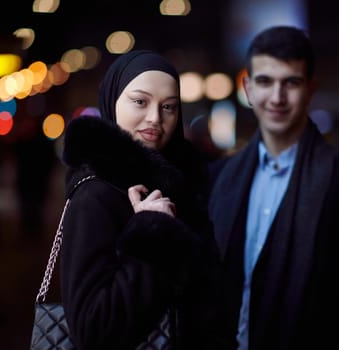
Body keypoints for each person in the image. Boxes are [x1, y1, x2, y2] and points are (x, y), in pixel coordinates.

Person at [208, 26, 339, 350]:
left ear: (311, 89)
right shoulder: (219, 177)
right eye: (265, 82)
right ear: (248, 89)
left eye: (291, 82)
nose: (277, 97)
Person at [60, 50, 231, 349]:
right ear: (112, 103)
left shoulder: (182, 185)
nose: (155, 118)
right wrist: (151, 232)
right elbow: (92, 330)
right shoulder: (95, 195)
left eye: (169, 107)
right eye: (140, 101)